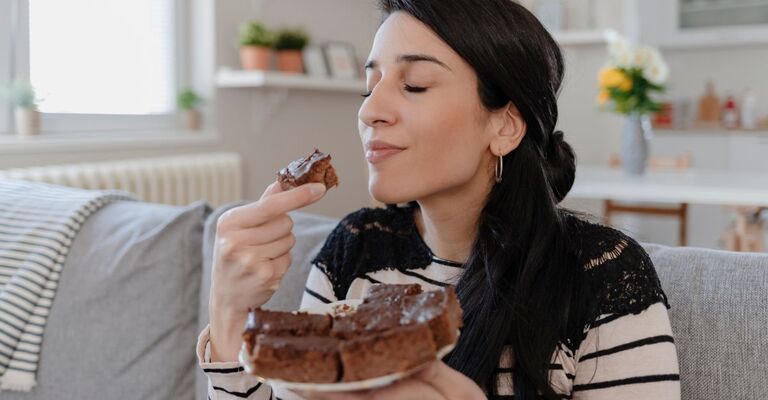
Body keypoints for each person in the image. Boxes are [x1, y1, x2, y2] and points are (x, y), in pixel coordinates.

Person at [198, 0, 681, 399]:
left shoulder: (601, 275)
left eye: (415, 85)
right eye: (370, 86)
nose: (369, 110)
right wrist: (227, 311)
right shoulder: (356, 250)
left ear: (505, 126)